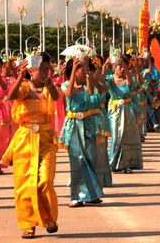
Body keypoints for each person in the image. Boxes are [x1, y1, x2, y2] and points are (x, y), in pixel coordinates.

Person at [1, 54, 60, 239]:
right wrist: (20, 76)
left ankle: (48, 218)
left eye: (47, 69)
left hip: (45, 140)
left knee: (45, 180)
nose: (45, 72)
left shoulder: (49, 87)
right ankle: (28, 224)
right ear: (32, 71)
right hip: (25, 140)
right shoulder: (25, 88)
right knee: (25, 185)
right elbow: (10, 96)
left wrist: (49, 81)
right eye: (41, 69)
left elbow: (57, 97)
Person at [61, 57, 104, 207]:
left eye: (83, 68)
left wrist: (87, 69)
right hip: (73, 125)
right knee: (77, 160)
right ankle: (76, 197)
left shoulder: (87, 84)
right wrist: (72, 70)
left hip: (87, 124)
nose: (83, 70)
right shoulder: (66, 84)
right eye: (80, 68)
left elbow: (92, 93)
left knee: (90, 157)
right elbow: (69, 94)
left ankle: (91, 194)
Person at [103, 57, 143, 173]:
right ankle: (114, 162)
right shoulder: (110, 80)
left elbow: (131, 84)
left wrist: (126, 68)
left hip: (128, 110)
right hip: (115, 111)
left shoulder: (128, 79)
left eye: (123, 66)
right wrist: (105, 66)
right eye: (118, 66)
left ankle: (127, 164)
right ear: (114, 68)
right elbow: (101, 81)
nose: (121, 68)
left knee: (128, 137)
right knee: (116, 136)